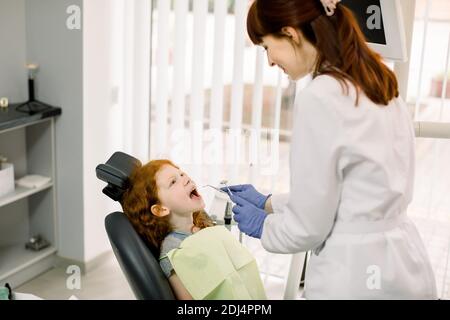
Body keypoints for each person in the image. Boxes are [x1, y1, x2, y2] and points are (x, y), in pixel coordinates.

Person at [224, 0, 437, 299]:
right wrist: (270, 203)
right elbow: (353, 195)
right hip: (404, 267)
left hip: (355, 276)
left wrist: (265, 226)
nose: (270, 60)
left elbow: (309, 227)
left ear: (290, 33)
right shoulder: (377, 83)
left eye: (266, 46)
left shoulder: (320, 97)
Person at [121, 159, 266, 300]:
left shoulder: (203, 226)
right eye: (173, 181)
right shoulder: (173, 251)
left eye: (182, 174)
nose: (186, 178)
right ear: (161, 209)